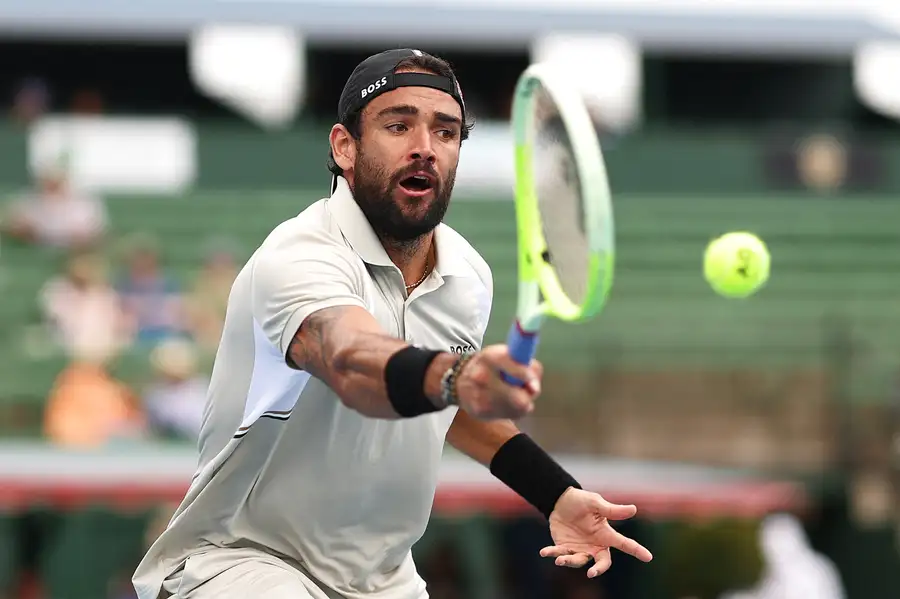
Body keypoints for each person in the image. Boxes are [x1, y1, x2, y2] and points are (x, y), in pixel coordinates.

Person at [132, 49, 652, 599]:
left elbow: (441, 408)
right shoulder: (298, 256)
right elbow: (353, 362)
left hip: (383, 580)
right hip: (239, 562)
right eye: (398, 125)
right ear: (344, 147)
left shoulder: (468, 276)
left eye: (446, 132)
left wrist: (556, 492)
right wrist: (456, 376)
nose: (424, 148)